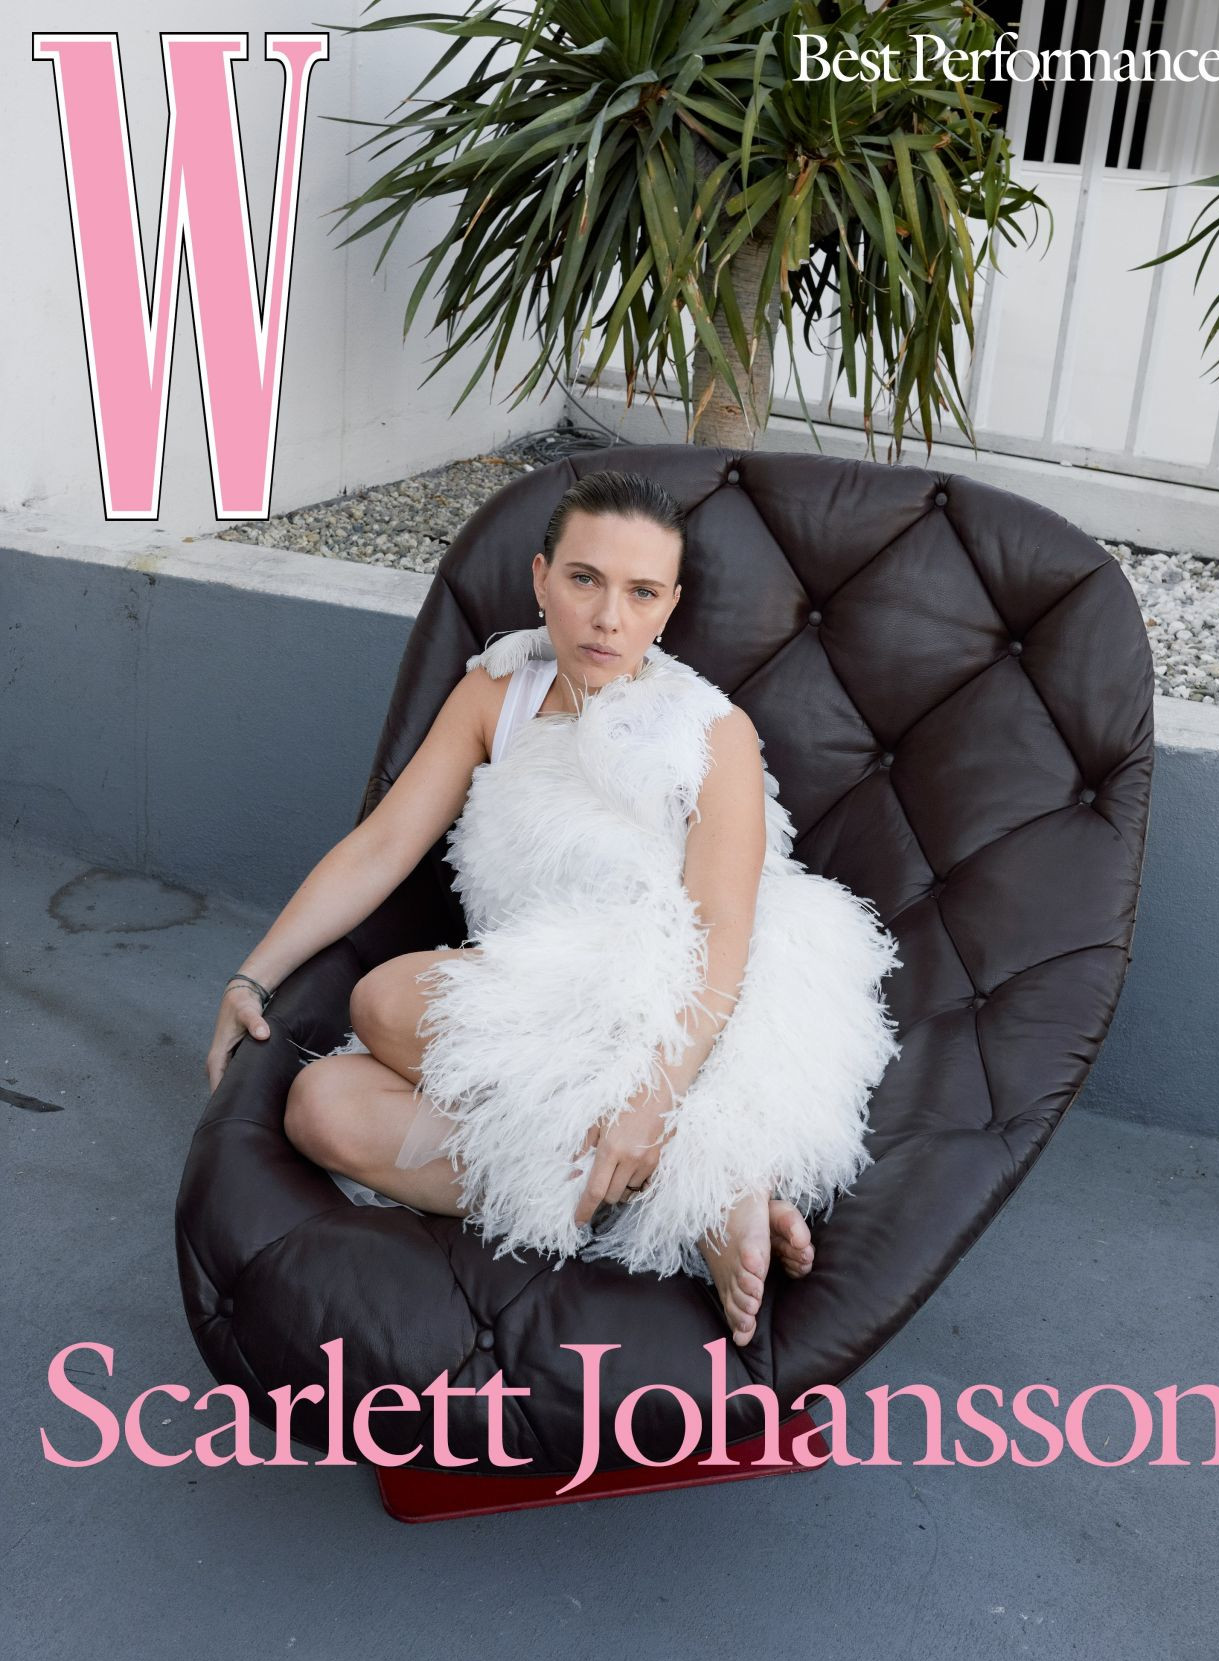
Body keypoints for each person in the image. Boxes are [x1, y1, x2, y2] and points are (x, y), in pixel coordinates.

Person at [205, 470, 901, 1348]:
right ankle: (678, 1194)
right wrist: (252, 977)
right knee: (322, 1109)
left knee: (383, 1001)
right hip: (541, 1009)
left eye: (640, 592)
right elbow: (382, 846)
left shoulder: (712, 732)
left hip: (672, 1001)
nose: (607, 617)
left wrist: (653, 1097)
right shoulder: (496, 696)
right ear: (542, 580)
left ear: (668, 607)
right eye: (584, 579)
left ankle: (665, 1160)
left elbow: (722, 928)